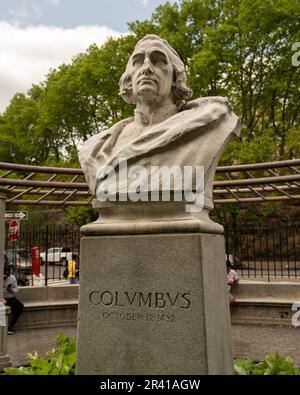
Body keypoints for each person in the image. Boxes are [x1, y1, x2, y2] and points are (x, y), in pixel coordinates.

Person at [3, 261, 24, 334]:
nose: (5, 277)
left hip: (10, 298)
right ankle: (2, 329)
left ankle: (10, 326)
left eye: (7, 275)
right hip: (1, 299)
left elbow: (16, 290)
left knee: (20, 306)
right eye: (4, 276)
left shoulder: (12, 278)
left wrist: (10, 290)